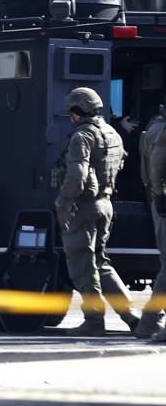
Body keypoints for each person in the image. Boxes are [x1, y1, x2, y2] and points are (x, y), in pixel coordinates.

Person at [54, 87, 141, 337]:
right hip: (106, 203)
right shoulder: (111, 132)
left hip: (84, 206)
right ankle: (133, 317)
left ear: (76, 112)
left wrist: (62, 202)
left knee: (82, 265)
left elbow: (77, 173)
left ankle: (93, 320)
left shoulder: (82, 136)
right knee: (101, 263)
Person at [137, 103, 166, 340]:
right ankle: (150, 319)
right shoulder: (160, 130)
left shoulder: (157, 128)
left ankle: (150, 320)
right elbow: (156, 165)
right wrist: (161, 195)